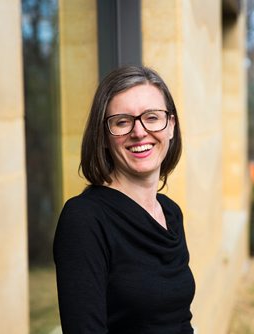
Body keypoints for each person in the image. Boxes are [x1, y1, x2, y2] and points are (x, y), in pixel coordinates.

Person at [53, 66, 195, 333]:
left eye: (152, 117)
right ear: (104, 137)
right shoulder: (84, 220)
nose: (139, 132)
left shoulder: (171, 214)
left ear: (171, 127)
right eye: (122, 121)